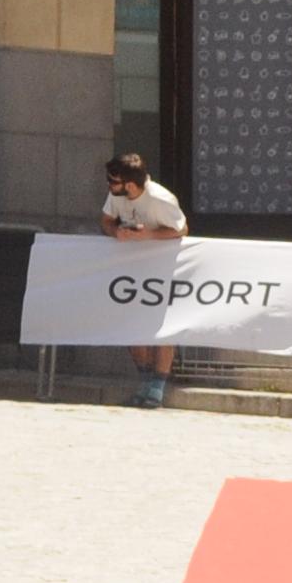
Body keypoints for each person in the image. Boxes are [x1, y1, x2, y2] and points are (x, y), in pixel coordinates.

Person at [101, 152, 187, 407]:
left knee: (162, 328)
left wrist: (148, 235)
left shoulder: (160, 199)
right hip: (132, 269)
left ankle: (157, 386)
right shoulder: (116, 195)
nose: (109, 184)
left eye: (113, 181)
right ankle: (145, 379)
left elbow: (181, 229)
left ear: (129, 185)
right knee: (132, 327)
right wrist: (115, 231)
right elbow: (106, 220)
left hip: (163, 268)